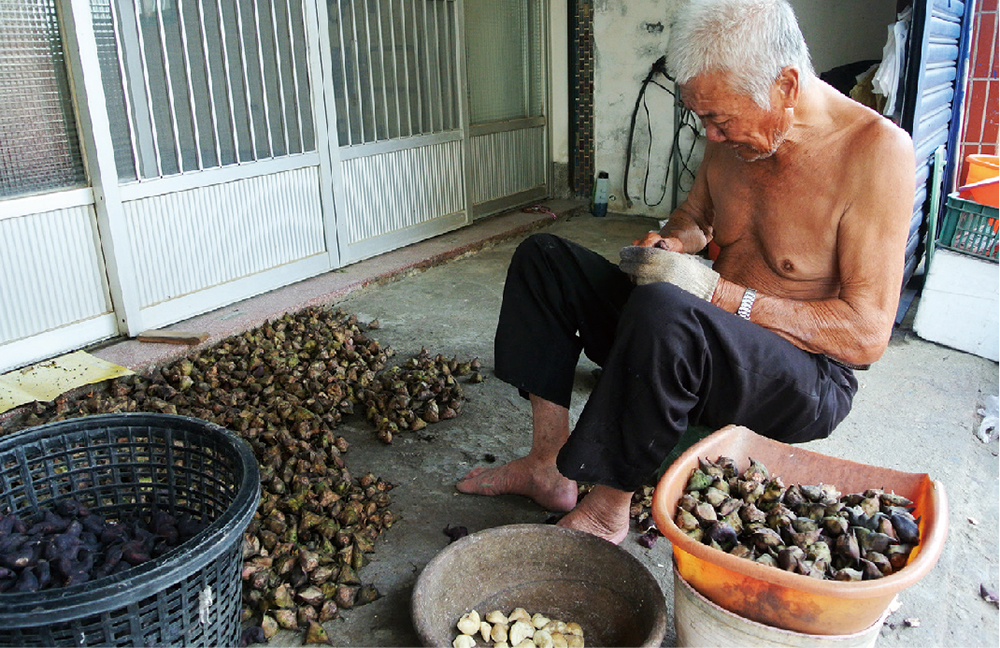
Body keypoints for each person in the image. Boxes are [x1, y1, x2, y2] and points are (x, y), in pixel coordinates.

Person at [456, 0, 915, 544]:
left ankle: (608, 506)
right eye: (703, 119)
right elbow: (696, 219)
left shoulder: (876, 153)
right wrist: (672, 243)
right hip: (690, 346)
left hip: (801, 378)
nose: (711, 137)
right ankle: (547, 467)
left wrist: (721, 295)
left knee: (666, 310)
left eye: (720, 120)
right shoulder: (733, 137)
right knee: (545, 259)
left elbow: (865, 335)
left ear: (786, 87)